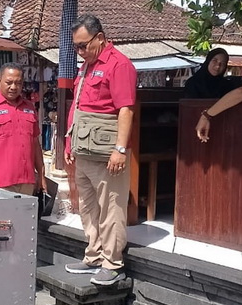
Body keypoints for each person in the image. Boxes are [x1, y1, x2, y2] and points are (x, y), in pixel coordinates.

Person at [63, 14, 138, 285]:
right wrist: (69, 141)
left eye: (84, 45)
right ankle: (93, 255)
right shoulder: (85, 67)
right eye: (77, 47)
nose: (80, 52)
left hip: (107, 153)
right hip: (83, 149)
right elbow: (78, 107)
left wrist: (120, 149)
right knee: (88, 206)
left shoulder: (119, 65)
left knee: (111, 208)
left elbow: (125, 109)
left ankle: (113, 263)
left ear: (100, 38)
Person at [0, 62, 46, 195]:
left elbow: (35, 143)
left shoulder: (29, 108)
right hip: (0, 184)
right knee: (0, 216)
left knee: (26, 216)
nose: (13, 87)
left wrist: (41, 175)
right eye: (9, 82)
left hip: (27, 182)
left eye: (18, 83)